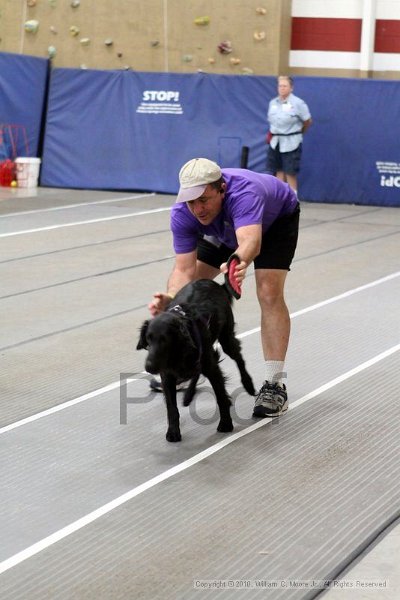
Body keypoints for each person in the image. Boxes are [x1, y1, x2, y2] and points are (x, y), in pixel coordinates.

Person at [148, 158, 300, 418]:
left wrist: (238, 261)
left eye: (203, 200)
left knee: (268, 292)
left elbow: (250, 241)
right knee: (187, 294)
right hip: (224, 230)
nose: (197, 208)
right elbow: (184, 270)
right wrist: (172, 298)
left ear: (222, 188)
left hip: (275, 223)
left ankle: (274, 385)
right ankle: (184, 366)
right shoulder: (184, 212)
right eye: (191, 201)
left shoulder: (244, 194)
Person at [266, 75, 312, 193]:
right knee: (278, 170)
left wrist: (299, 132)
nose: (282, 88)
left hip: (291, 142)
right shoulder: (273, 103)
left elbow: (307, 121)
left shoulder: (298, 103)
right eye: (280, 86)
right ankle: (279, 199)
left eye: (285, 86)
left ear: (291, 88)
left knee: (290, 172)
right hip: (276, 142)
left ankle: (293, 199)